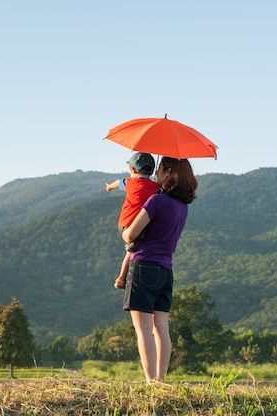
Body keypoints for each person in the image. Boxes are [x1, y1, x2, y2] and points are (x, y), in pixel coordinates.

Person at [121, 157, 198, 383]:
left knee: (143, 329)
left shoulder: (156, 201)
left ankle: (150, 381)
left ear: (169, 173)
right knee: (161, 328)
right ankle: (161, 380)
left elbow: (130, 234)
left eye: (161, 170)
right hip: (166, 271)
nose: (157, 174)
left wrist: (126, 231)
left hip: (144, 267)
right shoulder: (182, 207)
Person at [106, 152, 160, 289]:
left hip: (124, 222)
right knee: (130, 252)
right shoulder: (155, 187)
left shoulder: (130, 182)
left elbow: (118, 182)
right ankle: (121, 278)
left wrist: (109, 187)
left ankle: (122, 278)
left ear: (132, 169)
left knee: (131, 251)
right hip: (137, 226)